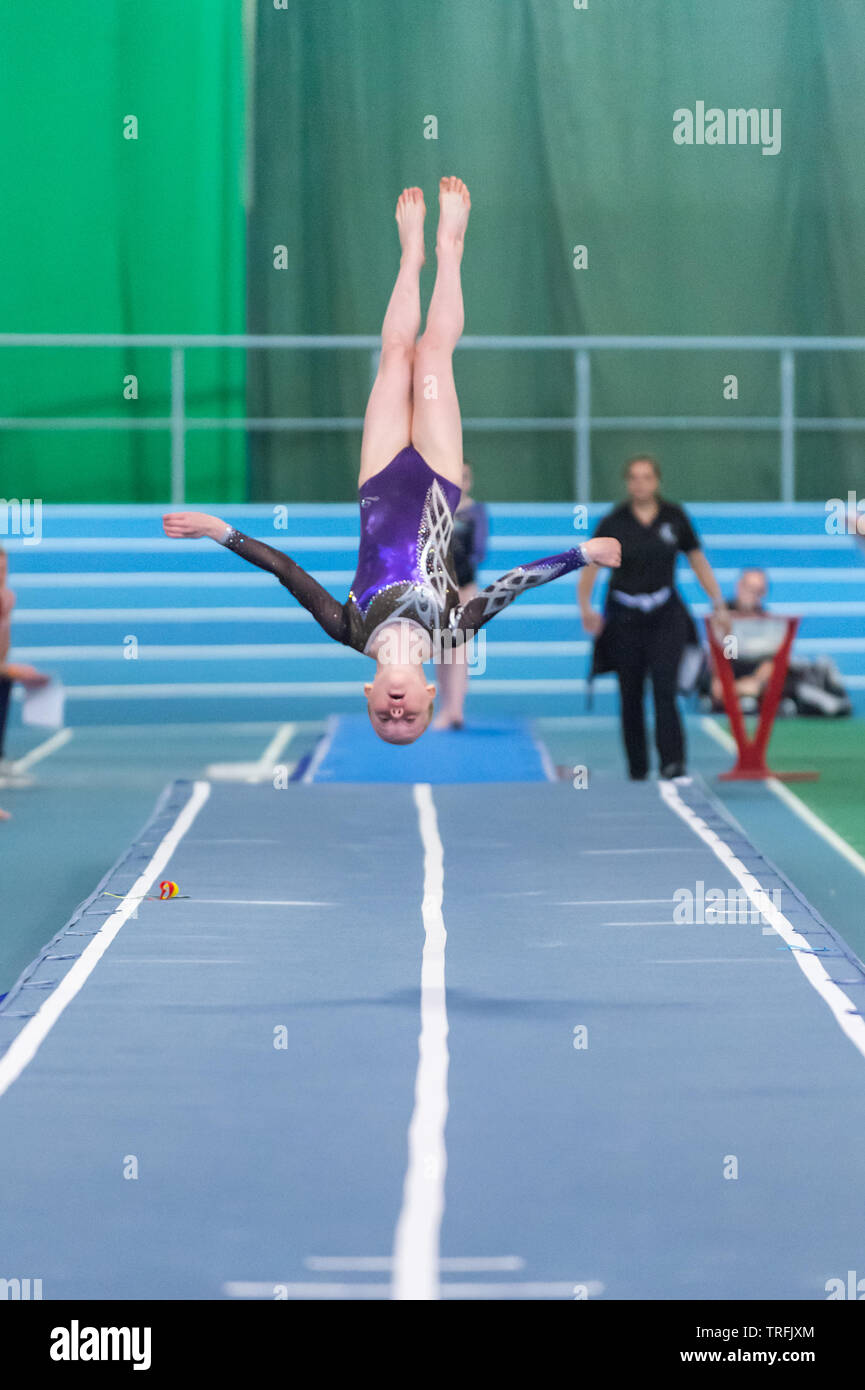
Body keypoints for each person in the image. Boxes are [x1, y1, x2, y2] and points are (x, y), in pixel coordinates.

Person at [164, 180, 620, 744]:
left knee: (395, 354)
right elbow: (512, 584)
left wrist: (217, 530)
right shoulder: (452, 631)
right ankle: (450, 249)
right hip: (437, 476)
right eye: (411, 716)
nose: (397, 709)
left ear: (368, 697)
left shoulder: (347, 627)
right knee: (431, 352)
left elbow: (284, 568)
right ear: (431, 696)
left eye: (385, 717)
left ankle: (411, 256)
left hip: (379, 478)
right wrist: (583, 553)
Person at [579, 454, 729, 780]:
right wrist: (586, 606)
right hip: (625, 617)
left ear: (657, 481)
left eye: (647, 477)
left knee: (665, 687)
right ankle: (637, 766)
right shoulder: (614, 522)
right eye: (634, 477)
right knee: (630, 692)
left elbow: (697, 560)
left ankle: (673, 763)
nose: (641, 483)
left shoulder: (674, 518)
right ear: (627, 483)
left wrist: (717, 602)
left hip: (665, 614)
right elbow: (590, 563)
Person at [433, 460, 489, 730]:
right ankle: (445, 706)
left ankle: (456, 710)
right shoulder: (434, 509)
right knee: (442, 649)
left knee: (460, 651)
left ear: (470, 481)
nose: (460, 482)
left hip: (465, 589)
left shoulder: (477, 512)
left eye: (464, 477)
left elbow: (479, 551)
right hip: (439, 591)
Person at [0, 544, 51, 818]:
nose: (1, 575)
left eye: (4, 569)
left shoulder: (7, 598)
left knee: (4, 682)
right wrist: (10, 670)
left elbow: (3, 649)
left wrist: (9, 669)